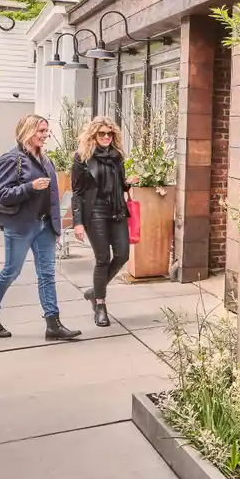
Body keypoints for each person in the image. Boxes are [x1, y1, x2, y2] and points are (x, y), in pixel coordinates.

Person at [0, 114, 82, 341]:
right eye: (41, 131)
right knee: (11, 271)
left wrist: (55, 227)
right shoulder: (12, 159)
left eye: (46, 131)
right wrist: (30, 187)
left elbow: (54, 196)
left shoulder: (46, 160)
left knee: (47, 274)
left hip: (45, 226)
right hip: (21, 225)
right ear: (27, 131)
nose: (45, 135)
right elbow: (0, 194)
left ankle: (53, 324)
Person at [71, 115, 131, 328]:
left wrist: (127, 184)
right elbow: (77, 191)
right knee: (103, 259)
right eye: (102, 133)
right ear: (93, 135)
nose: (106, 137)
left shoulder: (117, 157)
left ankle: (94, 290)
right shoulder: (82, 157)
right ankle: (100, 304)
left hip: (117, 211)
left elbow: (118, 185)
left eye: (109, 133)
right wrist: (77, 222)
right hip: (94, 212)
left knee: (123, 254)